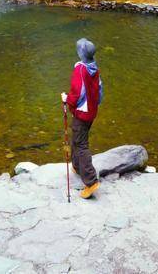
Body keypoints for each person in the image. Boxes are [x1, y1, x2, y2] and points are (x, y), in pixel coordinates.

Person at [61, 37, 103, 199]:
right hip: (91, 111)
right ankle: (77, 166)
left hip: (82, 113)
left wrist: (67, 99)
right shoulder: (94, 67)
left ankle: (91, 181)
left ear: (81, 53)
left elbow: (76, 93)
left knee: (81, 144)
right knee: (78, 138)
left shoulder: (80, 70)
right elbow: (99, 90)